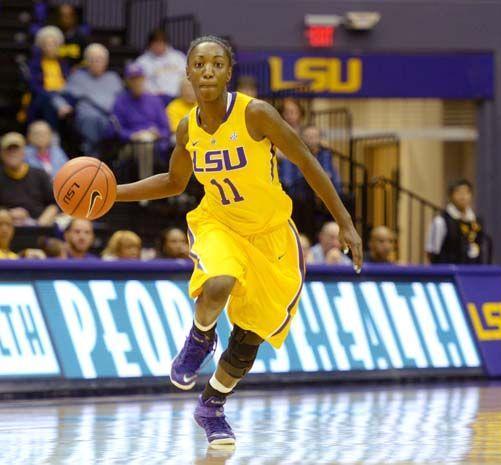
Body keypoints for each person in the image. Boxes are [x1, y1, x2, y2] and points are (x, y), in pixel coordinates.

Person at [114, 36, 362, 448]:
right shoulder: (186, 127)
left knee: (246, 343)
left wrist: (346, 222)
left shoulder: (256, 114)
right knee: (218, 282)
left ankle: (212, 405)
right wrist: (113, 192)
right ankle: (199, 337)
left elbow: (306, 161)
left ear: (228, 73)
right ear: (188, 72)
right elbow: (175, 182)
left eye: (216, 64)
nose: (207, 70)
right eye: (199, 64)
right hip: (219, 223)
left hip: (271, 237)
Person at [59, 43, 123, 155]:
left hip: (111, 116)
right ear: (87, 62)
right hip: (87, 117)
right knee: (92, 118)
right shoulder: (78, 77)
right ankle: (92, 159)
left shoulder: (113, 78)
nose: (97, 63)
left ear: (106, 62)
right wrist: (61, 106)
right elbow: (61, 95)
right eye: (93, 60)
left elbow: (122, 100)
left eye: (100, 60)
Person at [280, 125, 342, 239]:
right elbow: (288, 181)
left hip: (320, 194)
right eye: (308, 137)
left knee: (345, 197)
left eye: (314, 136)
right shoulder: (292, 152)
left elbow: (330, 175)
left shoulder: (325, 154)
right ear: (301, 139)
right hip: (300, 193)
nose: (311, 140)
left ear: (320, 139)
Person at [113, 62, 171, 178]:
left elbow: (166, 129)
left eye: (139, 78)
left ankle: (145, 189)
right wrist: (132, 135)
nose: (136, 82)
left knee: (147, 144)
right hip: (130, 145)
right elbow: (116, 129)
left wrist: (157, 134)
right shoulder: (120, 101)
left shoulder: (154, 100)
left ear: (144, 79)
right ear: (127, 81)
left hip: (156, 144)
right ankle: (145, 189)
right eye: (133, 79)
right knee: (143, 145)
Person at [0, 132, 58, 226]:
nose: (12, 153)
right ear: (2, 154)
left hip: (37, 227)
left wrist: (40, 224)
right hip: (5, 227)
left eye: (16, 149)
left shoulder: (39, 174)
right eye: (8, 150)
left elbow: (54, 204)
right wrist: (8, 214)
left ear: (24, 152)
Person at [425, 179, 487, 264]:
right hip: (448, 272)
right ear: (451, 196)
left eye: (466, 193)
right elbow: (432, 252)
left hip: (472, 272)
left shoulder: (477, 222)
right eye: (459, 193)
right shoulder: (441, 221)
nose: (463, 197)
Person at [27, 26, 72, 130]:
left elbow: (70, 84)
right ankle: (52, 136)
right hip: (42, 97)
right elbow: (34, 87)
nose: (50, 47)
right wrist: (53, 97)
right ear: (41, 46)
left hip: (63, 96)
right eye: (47, 44)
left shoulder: (64, 63)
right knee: (49, 103)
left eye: (54, 44)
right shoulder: (34, 64)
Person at [136, 29, 187, 105]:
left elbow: (188, 76)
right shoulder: (142, 62)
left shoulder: (178, 57)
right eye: (155, 44)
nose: (158, 47)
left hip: (178, 98)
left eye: (161, 44)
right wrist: (154, 92)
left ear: (166, 44)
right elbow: (139, 83)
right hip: (154, 99)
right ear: (150, 45)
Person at [54, 3, 90, 67]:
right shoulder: (53, 35)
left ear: (74, 17)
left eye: (68, 16)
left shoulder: (81, 37)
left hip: (76, 72)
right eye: (62, 16)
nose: (65, 19)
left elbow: (87, 59)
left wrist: (78, 67)